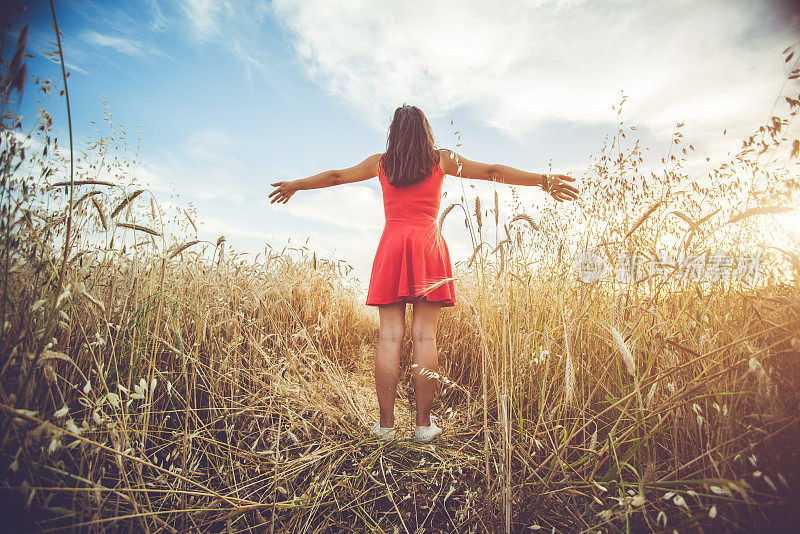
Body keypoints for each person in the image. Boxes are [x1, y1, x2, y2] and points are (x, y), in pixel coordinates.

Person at [268, 105, 578, 444]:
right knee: (424, 337)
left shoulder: (380, 163)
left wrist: (296, 184)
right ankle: (423, 426)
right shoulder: (440, 159)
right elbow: (491, 171)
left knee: (389, 336)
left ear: (393, 133)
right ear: (425, 131)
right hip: (429, 244)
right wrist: (542, 181)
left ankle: (385, 427)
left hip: (392, 245)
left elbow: (336, 177)